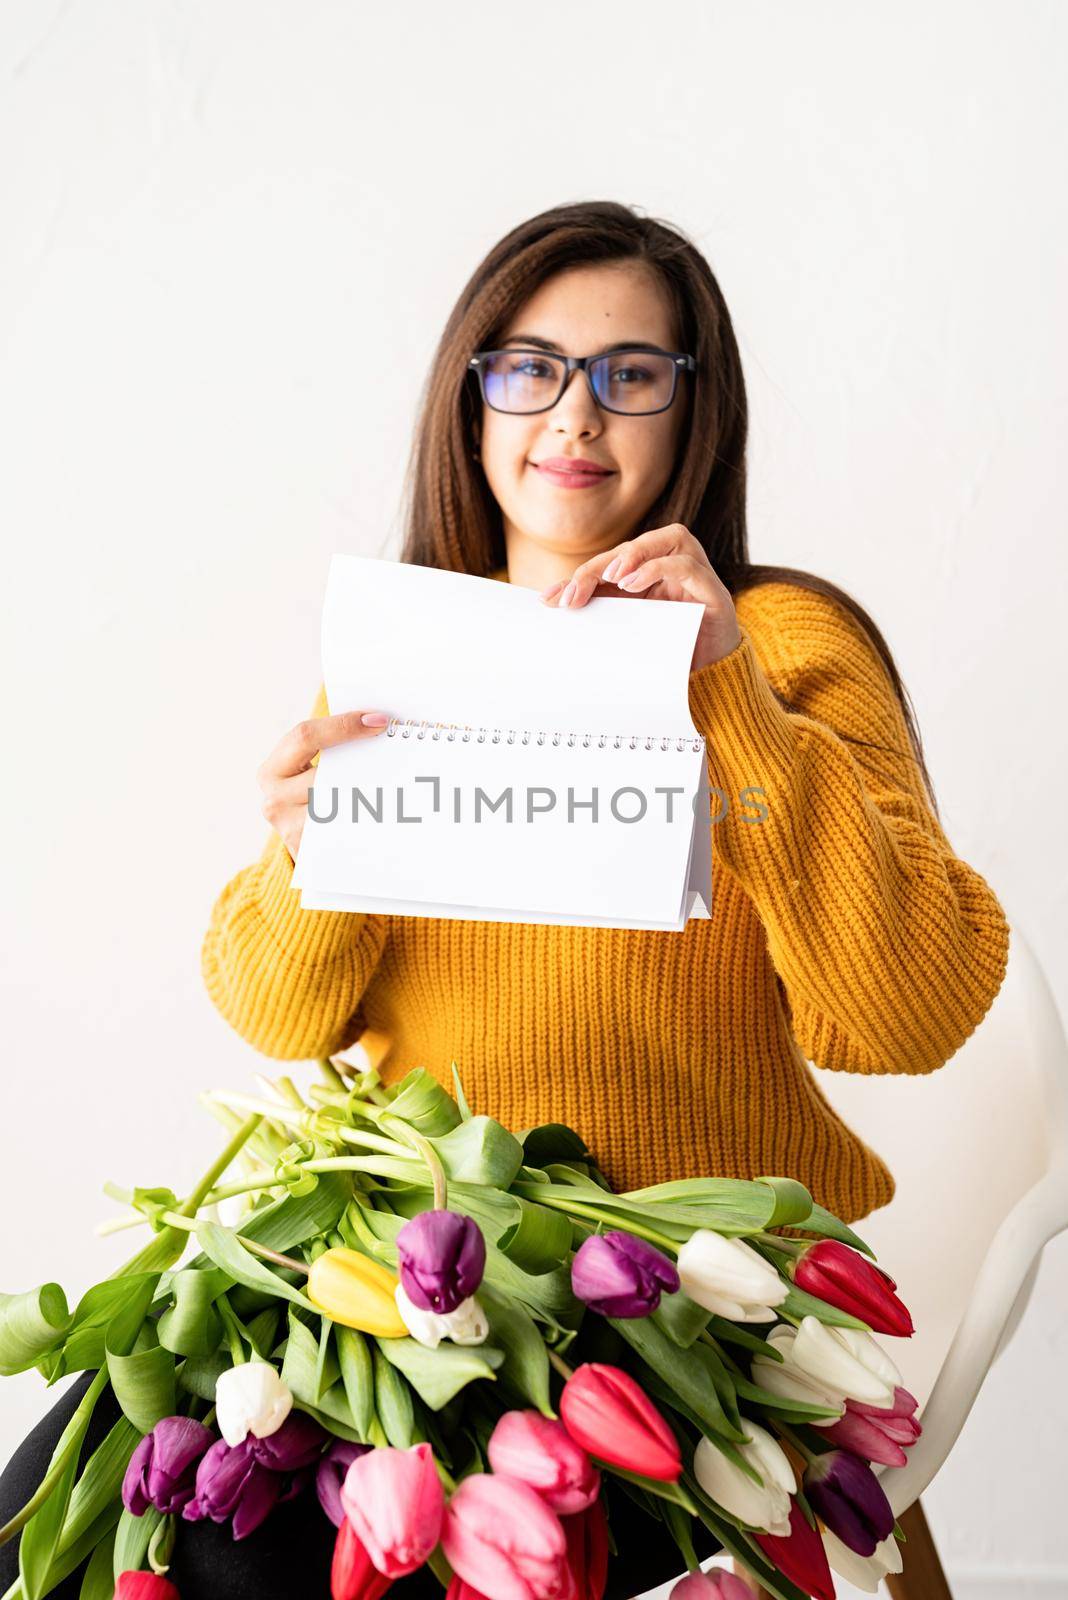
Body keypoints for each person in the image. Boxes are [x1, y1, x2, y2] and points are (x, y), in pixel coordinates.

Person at [0, 200, 1010, 1599]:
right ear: (472, 402)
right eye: (527, 367)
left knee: (245, 1569)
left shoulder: (784, 644)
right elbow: (278, 1009)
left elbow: (905, 1011)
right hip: (405, 1269)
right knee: (47, 1517)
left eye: (630, 373)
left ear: (691, 410)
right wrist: (305, 854)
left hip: (673, 1296)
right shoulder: (407, 648)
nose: (574, 414)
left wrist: (724, 692)